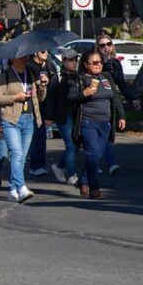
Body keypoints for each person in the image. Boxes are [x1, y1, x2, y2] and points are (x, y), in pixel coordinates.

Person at [69, 50, 127, 199]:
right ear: (85, 64)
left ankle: (83, 180)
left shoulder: (106, 77)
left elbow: (115, 98)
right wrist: (85, 94)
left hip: (105, 124)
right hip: (88, 122)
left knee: (97, 156)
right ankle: (94, 188)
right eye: (94, 62)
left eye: (100, 62)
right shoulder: (79, 79)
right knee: (93, 154)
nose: (98, 65)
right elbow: (71, 97)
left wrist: (121, 116)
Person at [0, 48, 48, 203]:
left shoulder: (31, 74)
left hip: (28, 118)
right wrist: (15, 97)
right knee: (17, 154)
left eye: (27, 56)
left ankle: (12, 188)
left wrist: (43, 86)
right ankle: (22, 187)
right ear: (13, 58)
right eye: (22, 56)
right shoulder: (4, 76)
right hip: (11, 119)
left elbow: (40, 98)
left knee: (22, 157)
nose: (26, 58)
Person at [95, 35, 141, 175]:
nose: (106, 47)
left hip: (110, 102)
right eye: (102, 45)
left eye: (108, 44)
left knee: (104, 135)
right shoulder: (95, 63)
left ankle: (95, 162)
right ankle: (110, 163)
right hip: (95, 103)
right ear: (98, 47)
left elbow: (120, 84)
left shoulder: (115, 63)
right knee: (101, 134)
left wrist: (132, 98)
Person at [48, 48, 82, 186]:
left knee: (75, 145)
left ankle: (59, 166)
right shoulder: (58, 78)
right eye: (70, 60)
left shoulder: (79, 77)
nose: (74, 62)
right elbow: (51, 99)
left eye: (76, 59)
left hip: (76, 116)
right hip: (62, 116)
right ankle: (72, 175)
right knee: (70, 144)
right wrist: (49, 118)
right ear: (63, 61)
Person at [25, 49, 52, 175]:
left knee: (41, 136)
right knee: (37, 136)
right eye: (42, 51)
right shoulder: (30, 66)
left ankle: (40, 164)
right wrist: (39, 84)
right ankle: (35, 166)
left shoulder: (48, 65)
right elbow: (29, 87)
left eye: (47, 51)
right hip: (35, 105)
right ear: (35, 52)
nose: (46, 53)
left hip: (46, 105)